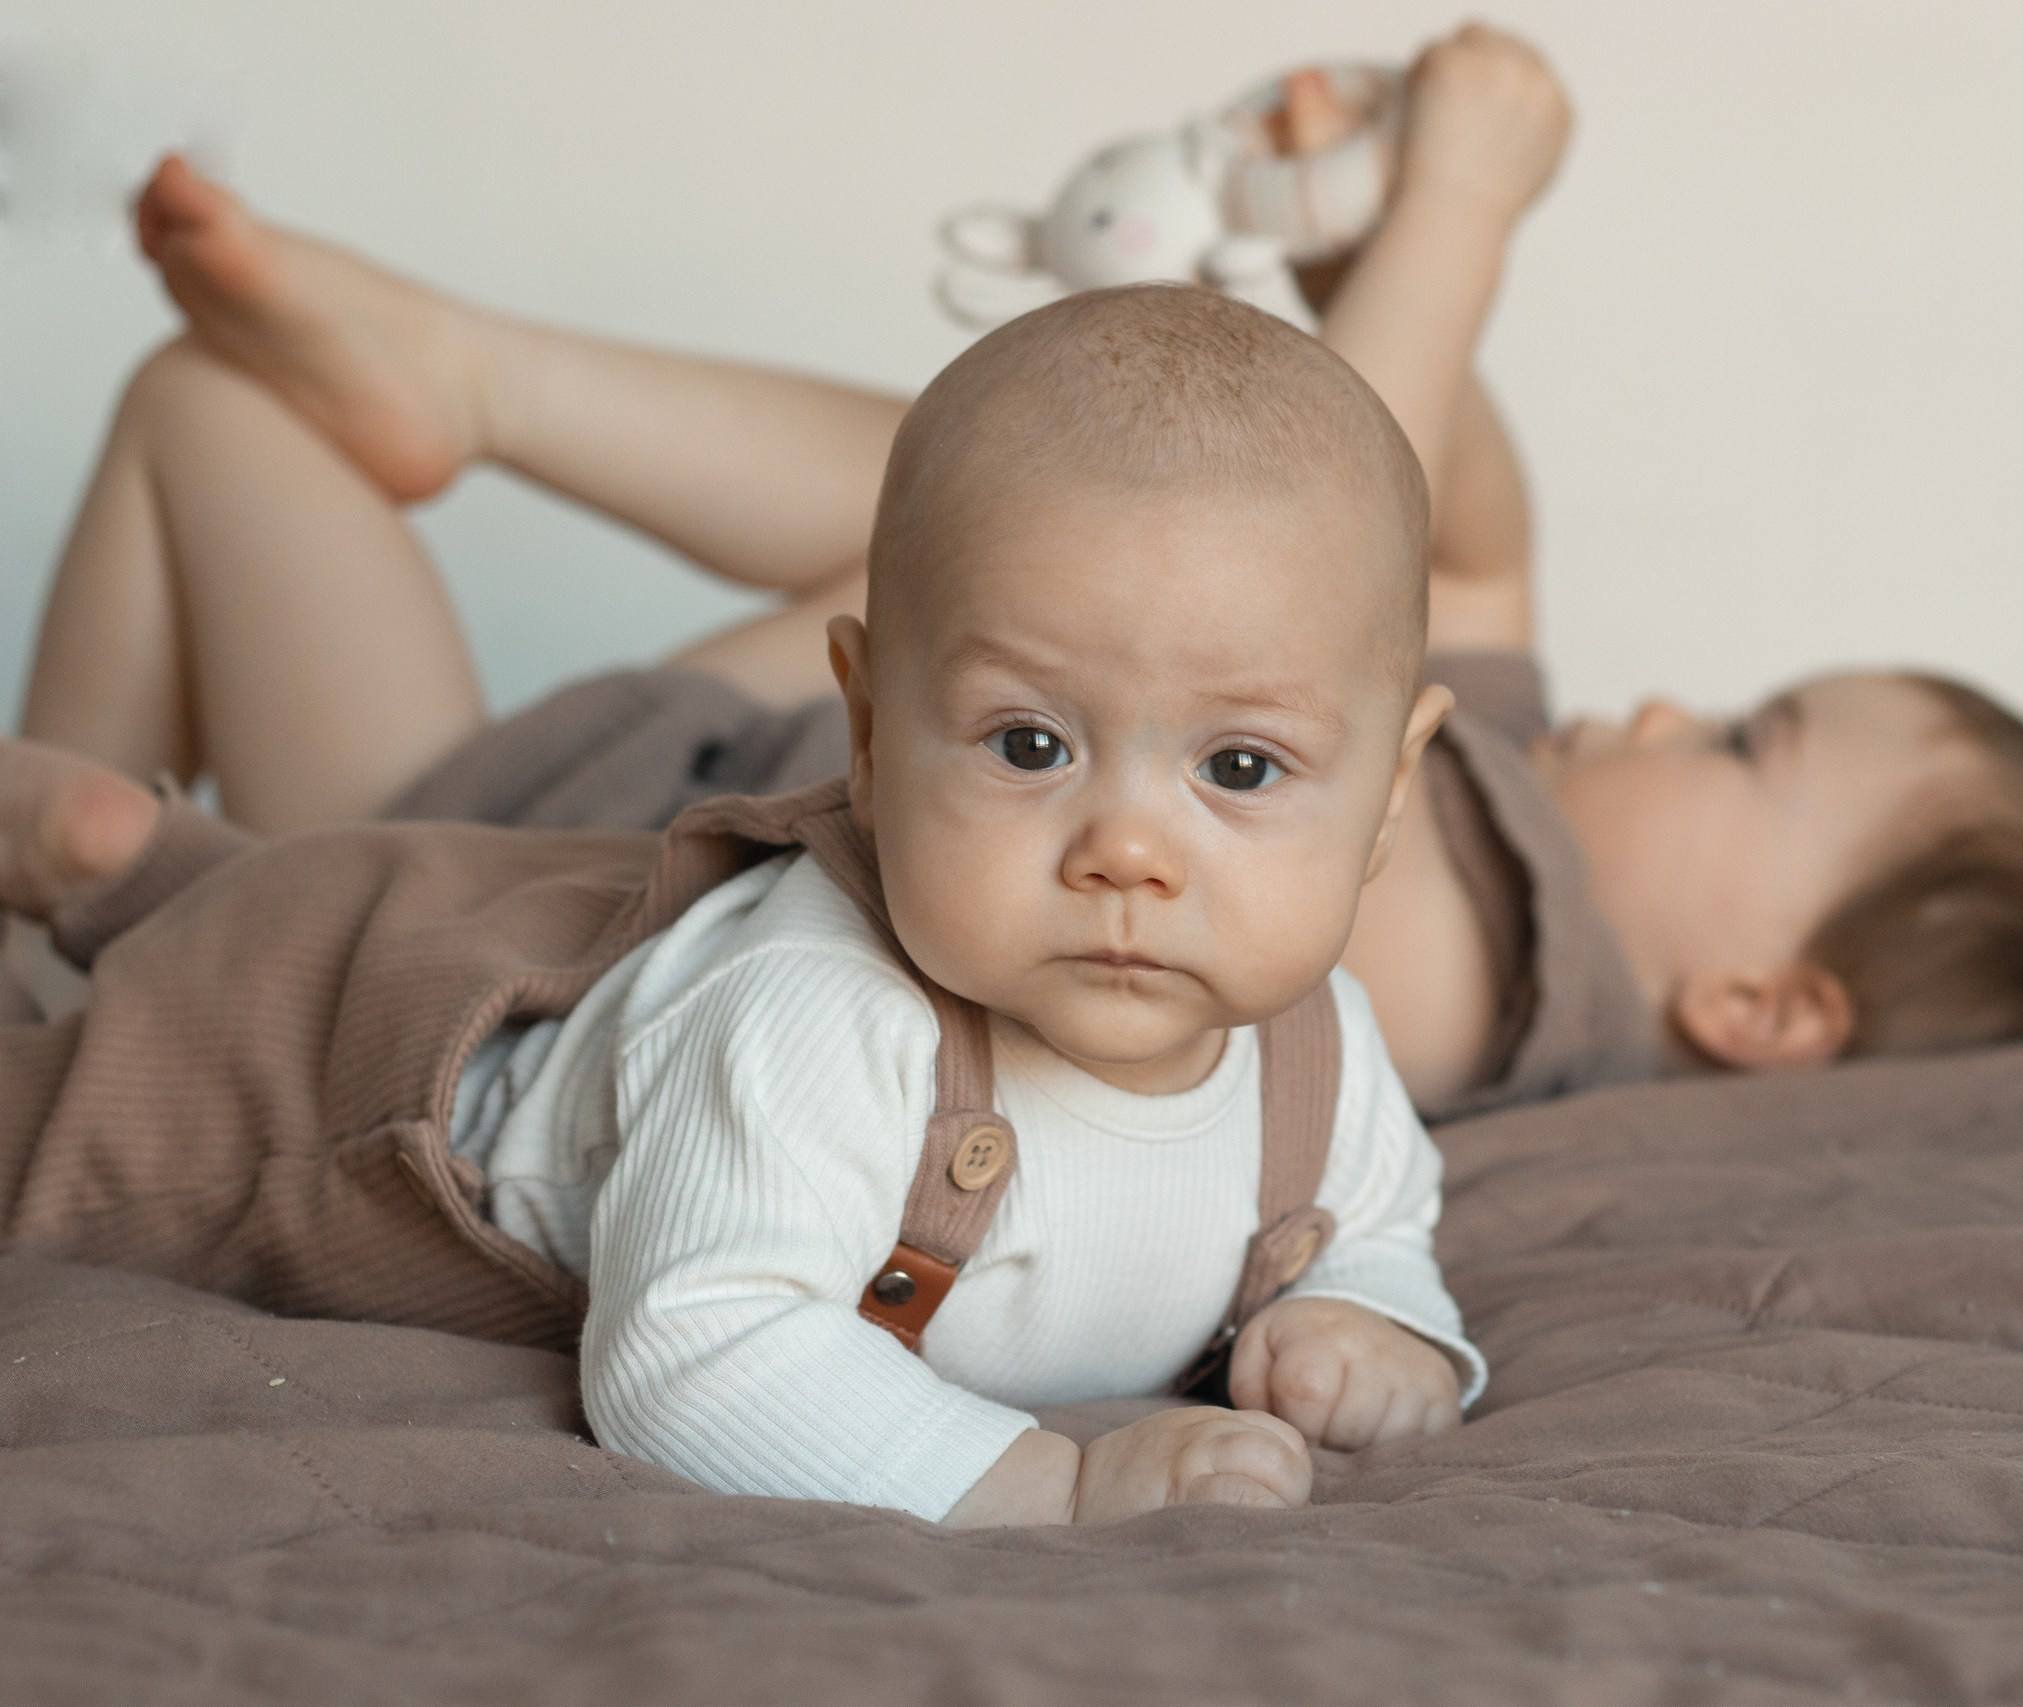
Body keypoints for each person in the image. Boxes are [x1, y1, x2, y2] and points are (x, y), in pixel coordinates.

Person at [11, 26, 2023, 1125]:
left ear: (1758, 1005)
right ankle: (81, 880)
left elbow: (1378, 526)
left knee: (1085, 540)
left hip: (505, 875)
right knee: (213, 409)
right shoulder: (1491, 751)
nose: (1654, 705)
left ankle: (124, 913)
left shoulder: (1464, 970)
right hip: (616, 756)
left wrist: (1467, 223)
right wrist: (1355, 248)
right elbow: (1473, 513)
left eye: (1738, 738)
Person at [0, 282, 1486, 1527]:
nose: (1128, 853)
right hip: (320, 1075)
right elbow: (689, 1356)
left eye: (1240, 766)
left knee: (239, 891)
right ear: (863, 730)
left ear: (1390, 794)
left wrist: (1377, 1319)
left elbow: (1377, 1220)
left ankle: (129, 865)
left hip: (527, 925)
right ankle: (131, 890)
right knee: (57, 1119)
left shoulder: (1319, 1050)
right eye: (1030, 745)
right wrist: (1053, 1488)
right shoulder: (821, 1014)